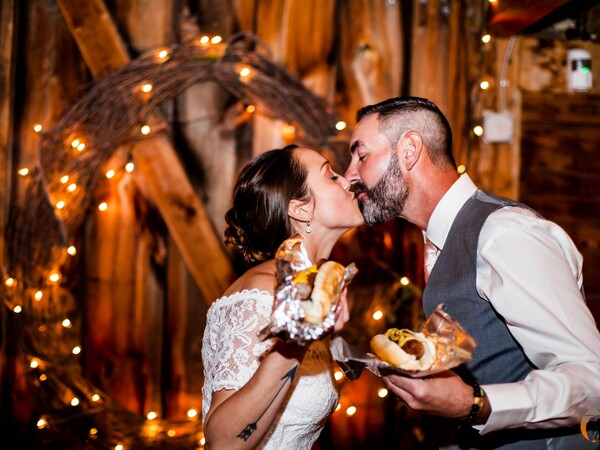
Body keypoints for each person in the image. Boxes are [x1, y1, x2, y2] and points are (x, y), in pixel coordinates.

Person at [344, 96, 600, 449]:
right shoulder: (441, 239)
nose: (350, 176)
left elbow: (591, 383)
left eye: (361, 156)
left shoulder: (503, 234)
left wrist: (474, 403)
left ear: (409, 150)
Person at [201, 145, 364, 450]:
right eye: (331, 176)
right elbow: (221, 444)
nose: (347, 181)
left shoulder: (310, 293)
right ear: (301, 209)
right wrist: (294, 342)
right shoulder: (261, 296)